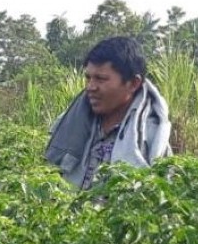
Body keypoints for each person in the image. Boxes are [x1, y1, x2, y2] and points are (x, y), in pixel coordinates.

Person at [45, 36, 172, 190]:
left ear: (133, 83)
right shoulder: (70, 125)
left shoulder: (151, 137)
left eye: (101, 79)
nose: (91, 87)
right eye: (88, 78)